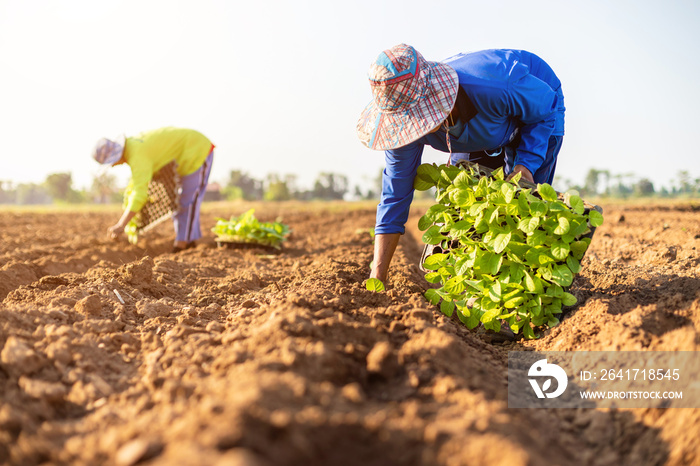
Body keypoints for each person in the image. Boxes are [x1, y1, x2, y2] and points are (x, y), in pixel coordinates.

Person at [357, 44, 565, 282]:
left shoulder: (496, 83)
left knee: (524, 210)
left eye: (417, 118)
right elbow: (395, 195)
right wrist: (378, 273)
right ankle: (476, 291)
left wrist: (525, 165)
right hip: (476, 130)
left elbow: (545, 110)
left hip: (537, 107)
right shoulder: (402, 127)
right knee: (464, 212)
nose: (411, 128)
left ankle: (530, 286)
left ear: (435, 98)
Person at [92, 127, 214, 252]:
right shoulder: (133, 146)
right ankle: (188, 241)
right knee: (178, 204)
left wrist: (121, 224)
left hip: (196, 149)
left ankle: (182, 244)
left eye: (111, 162)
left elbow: (139, 194)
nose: (113, 165)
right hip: (185, 153)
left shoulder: (137, 156)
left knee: (188, 202)